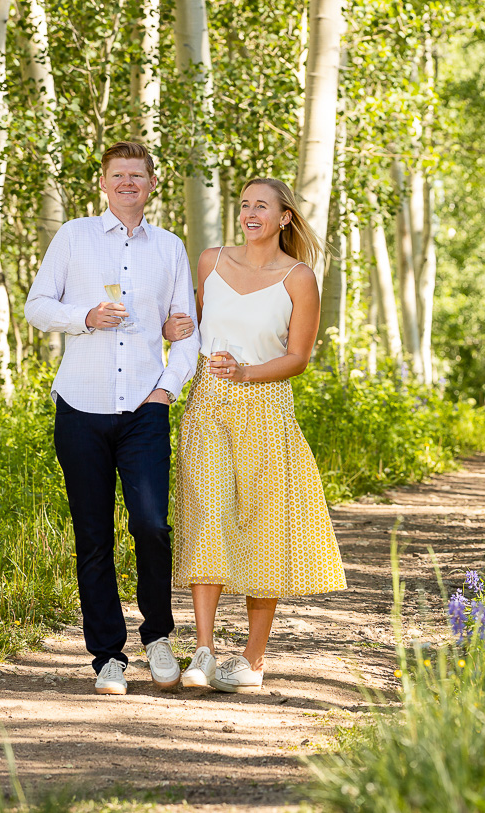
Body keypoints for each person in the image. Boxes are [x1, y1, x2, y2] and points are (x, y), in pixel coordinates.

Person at [25, 141, 199, 695]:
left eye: (137, 175)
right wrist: (85, 316)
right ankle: (108, 657)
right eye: (117, 174)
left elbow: (186, 329)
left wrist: (168, 389)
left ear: (152, 184)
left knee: (152, 526)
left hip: (144, 409)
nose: (127, 182)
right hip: (80, 406)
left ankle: (158, 638)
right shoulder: (74, 237)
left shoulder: (170, 247)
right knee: (93, 535)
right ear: (103, 183)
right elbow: (37, 306)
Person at [172, 177, 347, 694]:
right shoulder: (211, 261)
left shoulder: (299, 278)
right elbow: (194, 330)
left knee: (261, 527)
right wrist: (172, 332)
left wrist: (246, 373)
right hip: (208, 405)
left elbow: (299, 358)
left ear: (284, 217)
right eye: (245, 204)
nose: (250, 213)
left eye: (262, 207)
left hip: (266, 409)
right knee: (208, 517)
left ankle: (251, 662)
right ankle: (202, 653)